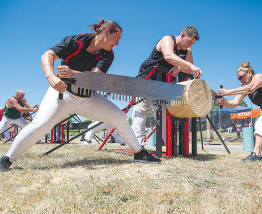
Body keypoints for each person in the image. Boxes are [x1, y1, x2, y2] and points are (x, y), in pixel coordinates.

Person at [0, 19, 160, 171]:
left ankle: (140, 153)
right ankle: (7, 160)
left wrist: (72, 74)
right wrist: (52, 77)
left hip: (89, 98)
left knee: (120, 117)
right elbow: (47, 56)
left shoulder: (108, 54)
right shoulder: (75, 41)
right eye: (116, 37)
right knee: (40, 126)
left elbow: (95, 79)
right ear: (106, 33)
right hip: (63, 94)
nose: (117, 42)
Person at [131, 26, 203, 146]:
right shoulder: (167, 39)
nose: (190, 45)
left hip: (162, 83)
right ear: (183, 35)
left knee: (163, 113)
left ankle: (168, 143)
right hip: (147, 78)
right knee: (141, 111)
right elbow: (168, 56)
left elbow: (189, 69)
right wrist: (187, 66)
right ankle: (137, 146)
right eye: (189, 42)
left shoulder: (187, 50)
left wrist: (179, 66)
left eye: (192, 44)